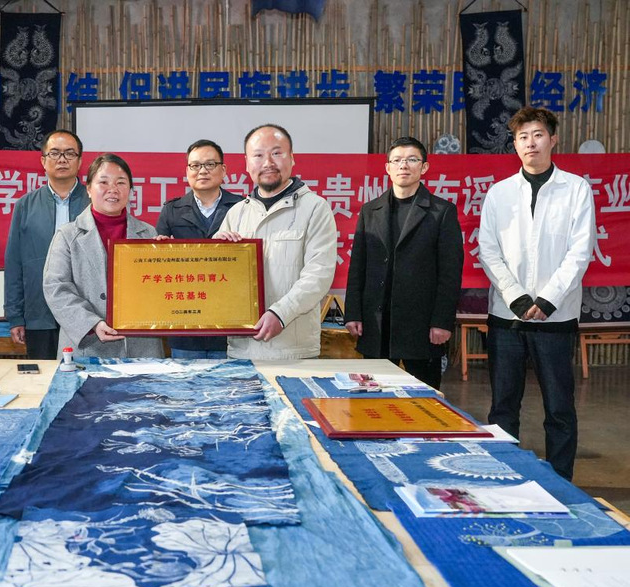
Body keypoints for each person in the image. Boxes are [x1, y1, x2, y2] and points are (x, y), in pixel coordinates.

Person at [478, 106, 595, 481]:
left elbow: (580, 251)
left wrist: (547, 300)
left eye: (538, 135)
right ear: (514, 144)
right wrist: (516, 297)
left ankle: (560, 483)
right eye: (522, 137)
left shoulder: (576, 189)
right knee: (503, 407)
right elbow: (488, 250)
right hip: (507, 317)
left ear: (553, 139)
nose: (531, 143)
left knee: (559, 407)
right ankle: (505, 478)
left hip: (556, 317)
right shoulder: (499, 193)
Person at [344, 137, 463, 390]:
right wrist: (353, 313)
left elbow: (450, 273)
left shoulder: (441, 211)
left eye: (411, 159)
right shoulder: (370, 210)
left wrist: (442, 321)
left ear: (424, 167)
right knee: (373, 398)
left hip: (421, 327)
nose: (403, 165)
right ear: (387, 167)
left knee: (423, 398)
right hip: (376, 325)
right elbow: (358, 267)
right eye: (397, 160)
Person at [213, 124, 337, 360]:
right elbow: (218, 281)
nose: (268, 162)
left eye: (277, 153)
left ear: (292, 158)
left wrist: (281, 314)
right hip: (242, 350)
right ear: (247, 163)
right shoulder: (236, 213)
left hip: (294, 350)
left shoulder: (315, 208)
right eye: (258, 155)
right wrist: (215, 254)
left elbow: (318, 275)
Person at [43, 153, 164, 359]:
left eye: (121, 182)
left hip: (141, 348)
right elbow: (56, 288)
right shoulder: (68, 235)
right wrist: (92, 323)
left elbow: (159, 288)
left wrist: (167, 258)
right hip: (87, 348)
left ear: (130, 190)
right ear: (89, 189)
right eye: (104, 182)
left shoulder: (149, 234)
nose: (113, 189)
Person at [4, 130, 89, 359]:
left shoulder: (94, 204)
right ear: (43, 161)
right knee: (43, 376)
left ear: (80, 161)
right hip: (39, 313)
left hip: (86, 313)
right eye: (55, 153)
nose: (62, 159)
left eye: (69, 153)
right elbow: (14, 264)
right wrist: (15, 316)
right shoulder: (25, 205)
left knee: (85, 377)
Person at [155, 139, 242, 359]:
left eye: (210, 164)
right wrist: (159, 251)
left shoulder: (242, 207)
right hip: (186, 323)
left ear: (223, 170)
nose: (202, 171)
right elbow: (159, 267)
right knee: (187, 380)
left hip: (230, 320)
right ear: (187, 171)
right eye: (195, 165)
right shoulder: (171, 210)